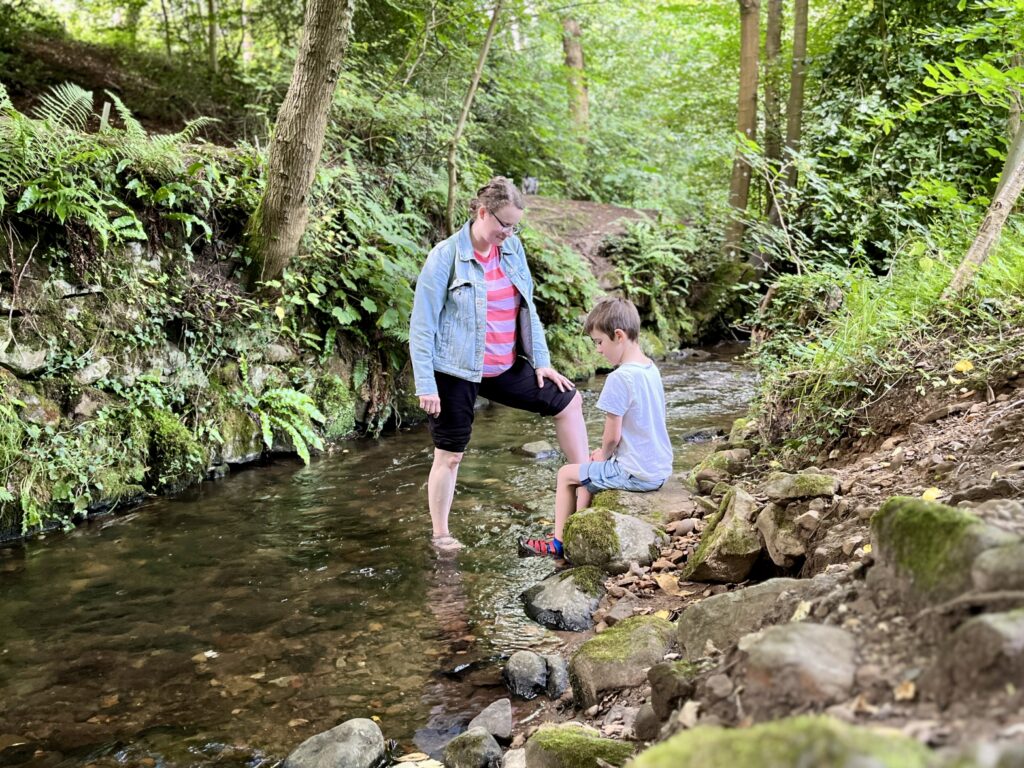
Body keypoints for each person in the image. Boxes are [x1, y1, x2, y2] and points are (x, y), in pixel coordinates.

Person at [409, 176, 591, 552]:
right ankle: (441, 534)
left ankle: (587, 482)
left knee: (568, 399)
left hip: (504, 365)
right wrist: (425, 384)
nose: (508, 232)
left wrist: (541, 361)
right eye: (503, 224)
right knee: (450, 455)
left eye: (514, 225)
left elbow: (529, 308)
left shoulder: (512, 250)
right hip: (455, 370)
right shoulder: (445, 257)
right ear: (481, 213)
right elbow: (422, 326)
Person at [518, 297, 673, 558]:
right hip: (660, 468)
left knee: (566, 474)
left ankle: (557, 545)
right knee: (587, 474)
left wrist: (604, 453)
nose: (598, 351)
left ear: (619, 336)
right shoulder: (649, 368)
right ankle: (576, 530)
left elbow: (612, 436)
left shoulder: (619, 378)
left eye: (599, 342)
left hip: (637, 472)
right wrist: (603, 456)